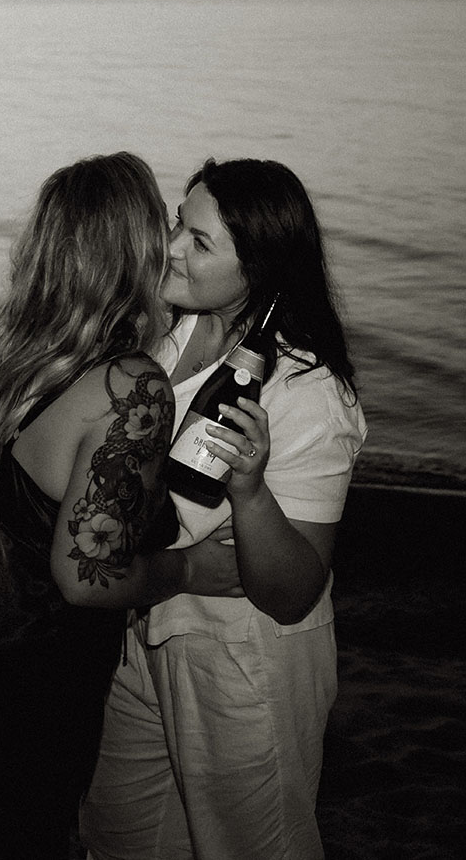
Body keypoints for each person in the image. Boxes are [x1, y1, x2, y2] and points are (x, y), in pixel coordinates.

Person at [0, 152, 242, 860]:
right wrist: (188, 570)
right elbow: (82, 574)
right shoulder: (132, 385)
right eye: (162, 223)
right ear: (130, 244)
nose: (170, 242)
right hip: (17, 684)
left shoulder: (19, 354)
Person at [80, 157, 368, 860]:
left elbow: (292, 591)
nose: (172, 245)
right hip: (145, 629)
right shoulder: (165, 333)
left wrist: (248, 490)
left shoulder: (305, 394)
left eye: (199, 241)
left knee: (250, 845)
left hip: (244, 659)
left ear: (259, 269)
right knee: (118, 834)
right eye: (181, 222)